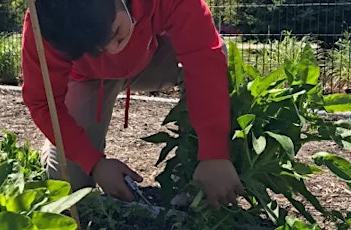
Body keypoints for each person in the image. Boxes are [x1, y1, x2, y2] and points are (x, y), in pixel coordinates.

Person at [20, 0, 244, 210]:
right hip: (88, 79)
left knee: (217, 52)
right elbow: (42, 102)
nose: (112, 51)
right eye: (93, 49)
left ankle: (188, 170)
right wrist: (94, 162)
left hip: (151, 57)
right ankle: (53, 147)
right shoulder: (46, 21)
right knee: (72, 187)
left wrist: (214, 152)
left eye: (115, 32)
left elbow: (204, 57)